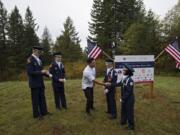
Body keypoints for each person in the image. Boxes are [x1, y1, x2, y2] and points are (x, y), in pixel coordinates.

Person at [26, 45, 52, 119]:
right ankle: (36, 115)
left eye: (40, 51)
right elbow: (30, 72)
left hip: (40, 82)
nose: (40, 52)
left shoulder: (39, 59)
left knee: (42, 98)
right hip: (34, 83)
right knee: (35, 99)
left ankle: (44, 112)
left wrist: (48, 74)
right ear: (34, 51)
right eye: (38, 51)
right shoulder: (30, 59)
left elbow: (41, 71)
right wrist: (41, 71)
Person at [107, 64, 135, 130]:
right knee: (123, 110)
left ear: (127, 71)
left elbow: (129, 92)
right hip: (124, 98)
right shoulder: (124, 78)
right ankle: (123, 121)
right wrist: (111, 84)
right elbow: (119, 84)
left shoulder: (130, 80)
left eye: (124, 70)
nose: (123, 70)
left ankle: (131, 126)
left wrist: (122, 98)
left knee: (129, 112)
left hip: (129, 99)